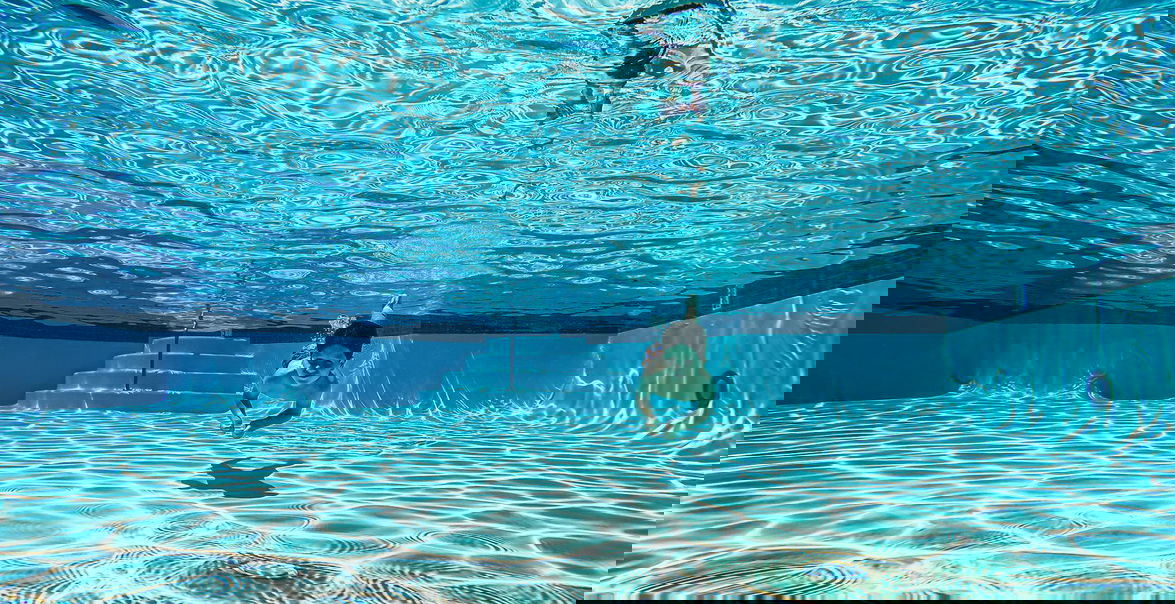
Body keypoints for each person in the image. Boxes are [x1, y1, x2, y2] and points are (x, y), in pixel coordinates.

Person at [635, 295, 736, 434]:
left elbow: (703, 413)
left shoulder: (699, 376)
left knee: (717, 385)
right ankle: (691, 302)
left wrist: (677, 425)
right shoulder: (658, 366)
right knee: (691, 322)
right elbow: (642, 396)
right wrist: (650, 417)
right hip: (688, 357)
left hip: (697, 373)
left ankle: (691, 302)